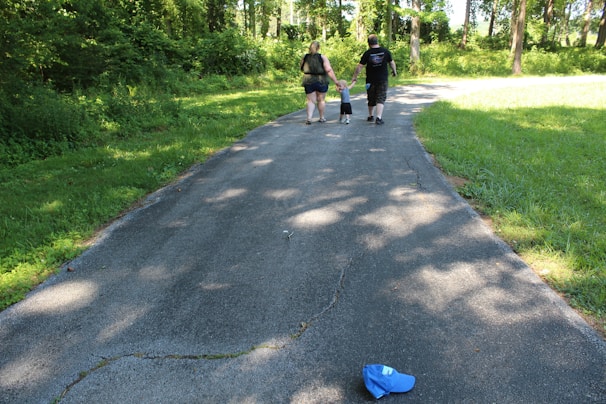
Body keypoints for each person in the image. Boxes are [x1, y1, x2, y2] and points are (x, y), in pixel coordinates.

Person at [351, 34, 397, 125]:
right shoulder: (385, 51)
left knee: (371, 97)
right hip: (382, 79)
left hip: (370, 80)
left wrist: (354, 77)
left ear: (369, 43)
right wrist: (394, 71)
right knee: (381, 97)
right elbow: (392, 63)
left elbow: (359, 66)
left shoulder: (367, 53)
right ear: (377, 41)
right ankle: (379, 118)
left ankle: (371, 116)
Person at [300, 41, 341, 125]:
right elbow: (328, 69)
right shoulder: (322, 57)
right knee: (321, 100)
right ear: (318, 48)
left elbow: (301, 67)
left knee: (310, 100)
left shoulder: (305, 57)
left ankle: (309, 118)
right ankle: (321, 117)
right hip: (321, 80)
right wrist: (335, 80)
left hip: (308, 80)